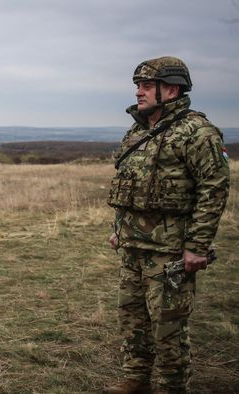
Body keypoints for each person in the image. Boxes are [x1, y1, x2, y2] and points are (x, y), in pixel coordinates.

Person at [106, 57, 230, 393]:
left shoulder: (197, 132)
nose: (138, 92)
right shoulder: (137, 131)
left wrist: (197, 246)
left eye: (147, 86)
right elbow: (127, 185)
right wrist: (119, 228)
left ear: (171, 89)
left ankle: (172, 386)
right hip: (133, 247)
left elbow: (214, 190)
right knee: (132, 319)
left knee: (168, 328)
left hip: (171, 250)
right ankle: (136, 378)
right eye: (138, 85)